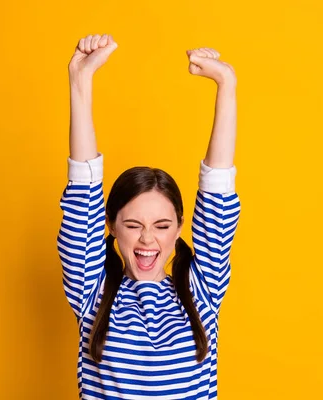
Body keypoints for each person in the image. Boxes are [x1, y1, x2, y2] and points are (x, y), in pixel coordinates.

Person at [57, 33, 241, 399]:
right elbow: (82, 195)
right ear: (109, 227)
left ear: (179, 230)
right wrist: (81, 81)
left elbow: (219, 191)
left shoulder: (201, 293)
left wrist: (227, 86)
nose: (147, 239)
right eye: (132, 225)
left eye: (161, 226)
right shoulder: (91, 292)